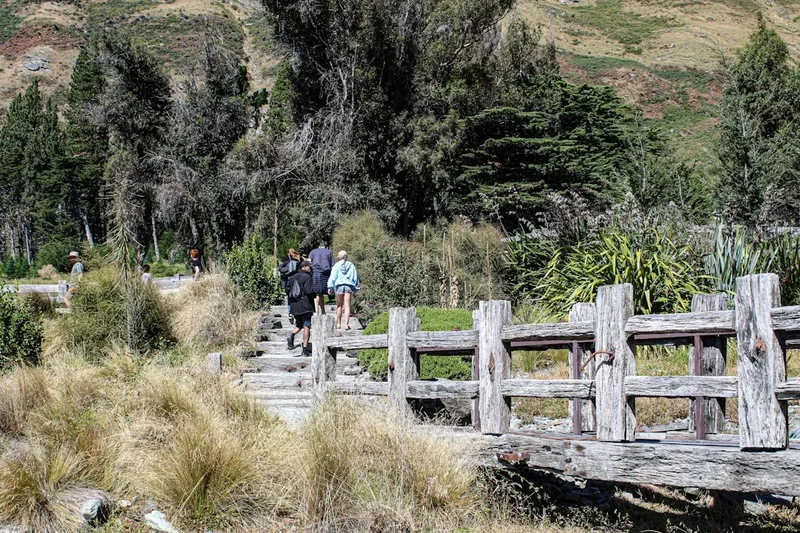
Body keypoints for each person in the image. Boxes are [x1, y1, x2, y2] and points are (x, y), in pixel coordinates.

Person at [287, 261, 315, 357]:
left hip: (295, 305)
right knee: (306, 326)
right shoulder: (307, 277)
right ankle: (305, 350)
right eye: (310, 268)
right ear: (305, 267)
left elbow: (288, 290)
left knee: (299, 324)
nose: (310, 270)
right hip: (305, 305)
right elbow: (309, 291)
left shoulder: (292, 278)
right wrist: (314, 295)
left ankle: (291, 335)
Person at [327, 250, 359, 331]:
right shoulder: (351, 265)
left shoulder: (336, 265)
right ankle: (346, 324)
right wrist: (355, 288)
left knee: (339, 305)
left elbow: (333, 277)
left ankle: (338, 323)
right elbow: (355, 277)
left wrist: (330, 286)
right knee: (347, 305)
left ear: (339, 257)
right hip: (348, 286)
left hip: (339, 286)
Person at [309, 242, 334, 315]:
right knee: (323, 292)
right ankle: (322, 311)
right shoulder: (329, 252)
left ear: (319, 246)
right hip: (326, 273)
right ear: (325, 247)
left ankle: (317, 311)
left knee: (317, 293)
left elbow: (309, 262)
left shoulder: (313, 252)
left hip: (315, 273)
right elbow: (332, 265)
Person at [278, 249, 301, 316]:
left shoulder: (290, 262)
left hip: (289, 280)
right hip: (293, 280)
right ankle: (292, 310)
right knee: (294, 295)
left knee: (291, 295)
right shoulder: (295, 261)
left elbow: (289, 271)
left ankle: (291, 310)